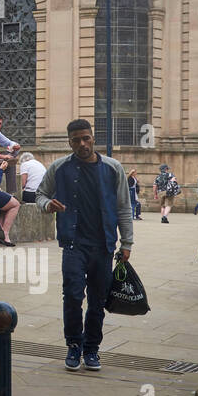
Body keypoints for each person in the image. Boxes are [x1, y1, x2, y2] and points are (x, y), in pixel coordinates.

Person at [35, 118, 134, 373]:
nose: (82, 144)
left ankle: (92, 349)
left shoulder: (113, 168)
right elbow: (40, 194)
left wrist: (127, 243)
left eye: (86, 138)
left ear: (93, 138)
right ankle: (73, 345)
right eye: (76, 140)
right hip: (73, 244)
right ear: (69, 142)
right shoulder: (60, 168)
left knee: (98, 300)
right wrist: (47, 205)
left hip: (103, 245)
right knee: (73, 296)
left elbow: (124, 207)